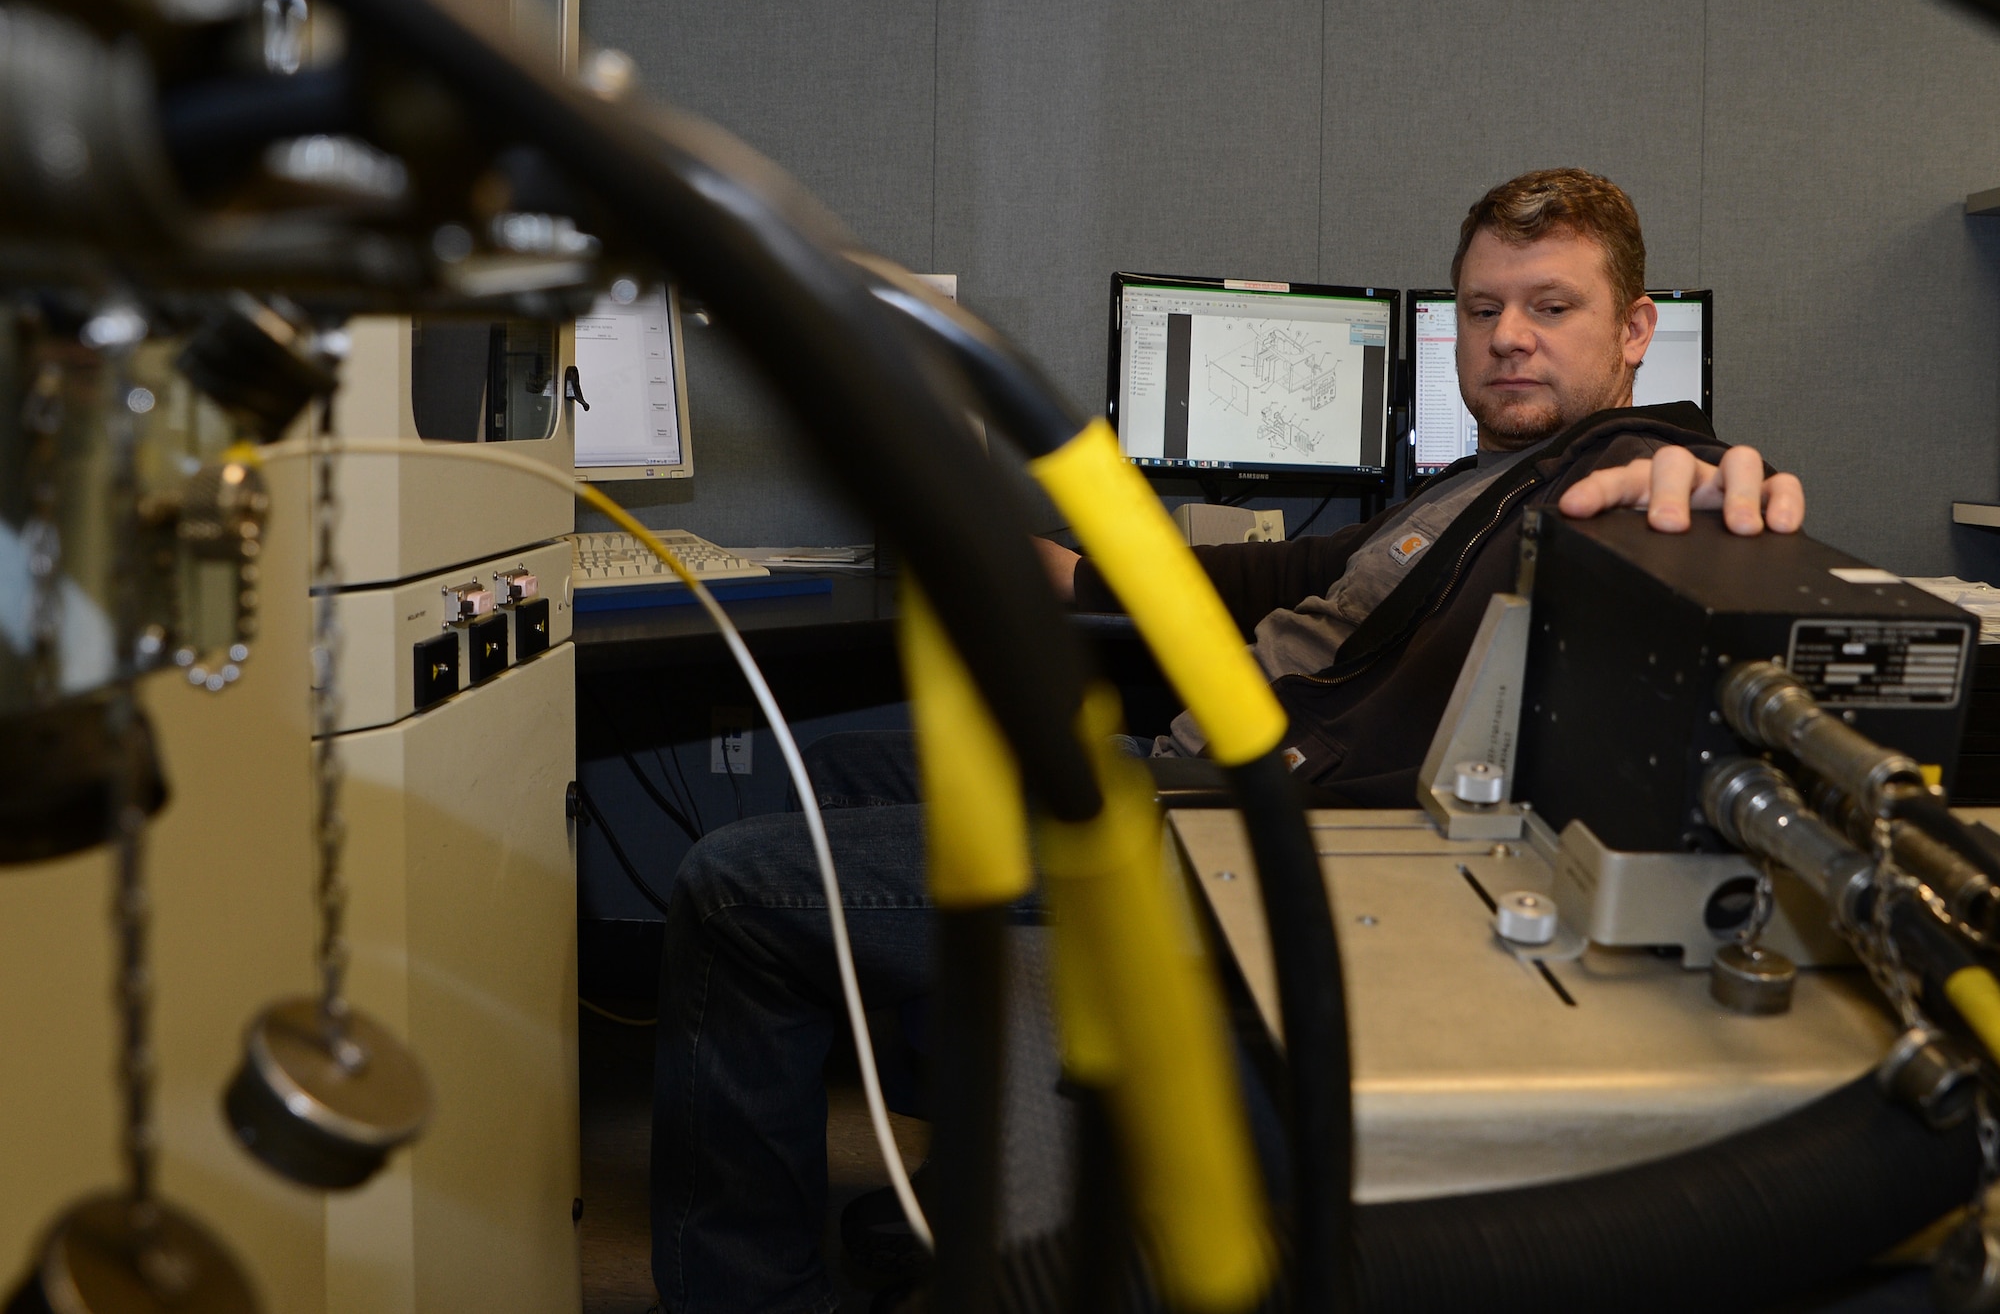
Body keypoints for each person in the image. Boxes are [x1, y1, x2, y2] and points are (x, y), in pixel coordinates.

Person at [648, 167, 1804, 1313]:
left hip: (1238, 824)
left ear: (1635, 329)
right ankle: (959, 1161)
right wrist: (1063, 563)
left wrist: (1698, 499)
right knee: (832, 768)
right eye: (1482, 308)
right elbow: (1294, 570)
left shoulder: (1619, 477)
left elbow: (1675, 515)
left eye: (1551, 307)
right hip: (1187, 760)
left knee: (736, 888)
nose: (1507, 337)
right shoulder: (1486, 475)